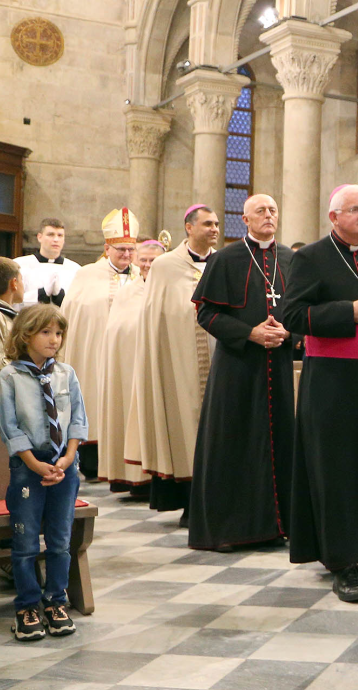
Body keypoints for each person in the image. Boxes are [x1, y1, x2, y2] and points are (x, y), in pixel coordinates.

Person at [284, 184, 358, 603]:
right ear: (334, 217)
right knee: (339, 470)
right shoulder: (310, 257)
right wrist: (350, 311)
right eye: (356, 209)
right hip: (332, 381)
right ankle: (343, 562)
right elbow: (292, 315)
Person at [189, 194, 294, 551]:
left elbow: (301, 312)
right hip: (237, 367)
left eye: (273, 211)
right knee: (233, 441)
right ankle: (228, 530)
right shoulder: (225, 259)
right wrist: (250, 333)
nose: (269, 216)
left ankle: (277, 524)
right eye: (261, 211)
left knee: (280, 440)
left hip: (278, 366)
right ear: (245, 220)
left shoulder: (292, 260)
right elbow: (206, 314)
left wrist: (288, 333)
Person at [0, 304, 87, 640]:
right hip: (28, 468)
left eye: (59, 333)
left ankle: (56, 601)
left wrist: (67, 460)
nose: (54, 339)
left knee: (60, 541)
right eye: (46, 332)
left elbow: (78, 419)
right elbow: (10, 426)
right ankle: (27, 605)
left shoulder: (66, 373)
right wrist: (36, 464)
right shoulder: (10, 377)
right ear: (25, 335)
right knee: (25, 541)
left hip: (65, 467)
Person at [129, 206, 218, 522]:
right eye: (207, 223)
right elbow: (156, 317)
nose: (214, 229)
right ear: (189, 227)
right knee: (183, 425)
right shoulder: (165, 266)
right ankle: (188, 501)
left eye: (217, 224)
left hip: (221, 358)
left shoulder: (223, 263)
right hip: (178, 361)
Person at [60, 208, 140, 478]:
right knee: (94, 401)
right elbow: (74, 316)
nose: (127, 255)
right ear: (107, 249)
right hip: (94, 356)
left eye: (131, 250)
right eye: (120, 250)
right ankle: (93, 463)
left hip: (131, 356)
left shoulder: (142, 275)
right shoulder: (86, 275)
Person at [97, 238, 165, 490]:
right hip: (129, 369)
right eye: (143, 260)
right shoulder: (127, 291)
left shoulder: (167, 287)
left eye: (153, 261)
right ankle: (133, 479)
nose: (147, 265)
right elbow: (117, 331)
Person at [14, 219, 81, 307]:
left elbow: (80, 304)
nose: (56, 239)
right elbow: (12, 300)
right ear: (39, 237)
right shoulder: (19, 265)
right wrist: (40, 295)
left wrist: (62, 299)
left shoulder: (76, 270)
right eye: (51, 235)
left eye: (60, 235)